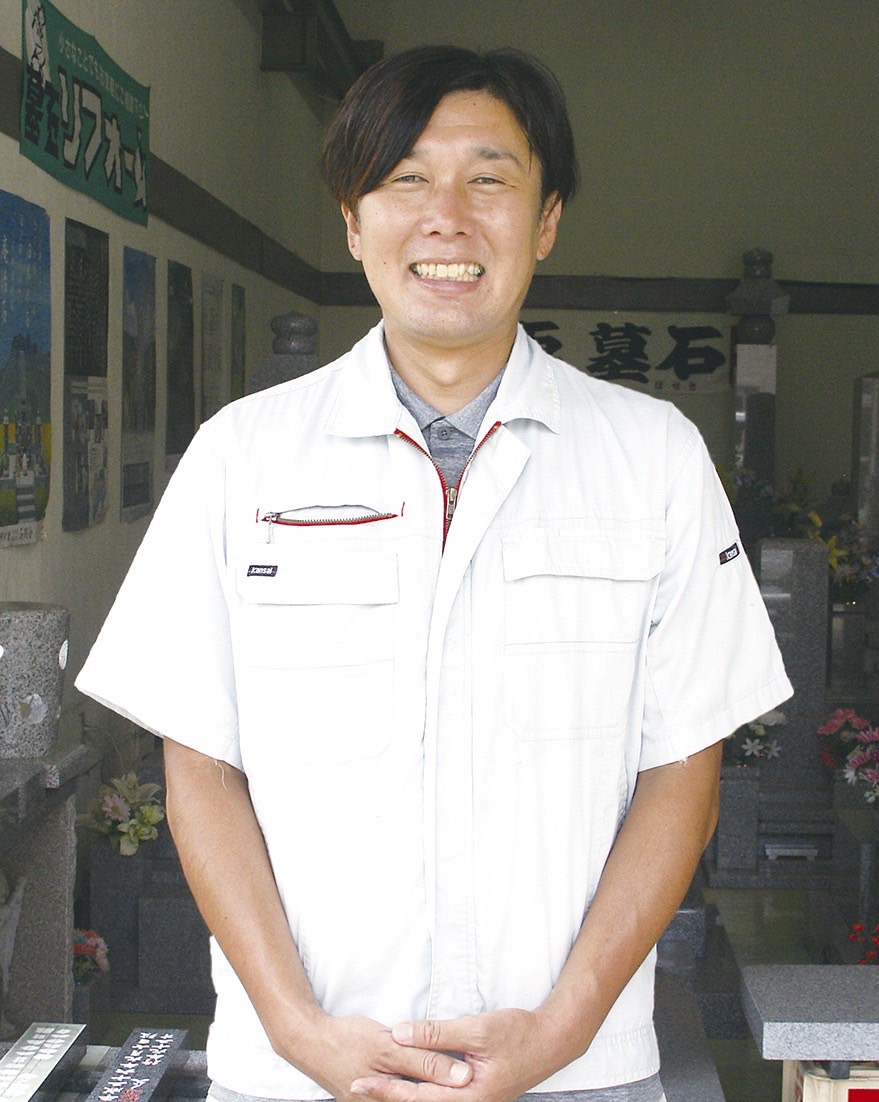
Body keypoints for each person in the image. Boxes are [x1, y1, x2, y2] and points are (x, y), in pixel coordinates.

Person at [77, 45, 792, 1102]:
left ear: (545, 221)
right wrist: (298, 1031)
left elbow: (682, 768)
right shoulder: (242, 458)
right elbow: (202, 770)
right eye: (406, 178)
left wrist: (560, 1030)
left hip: (578, 1074)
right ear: (352, 221)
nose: (446, 219)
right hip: (302, 1075)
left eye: (488, 179)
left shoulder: (653, 458)